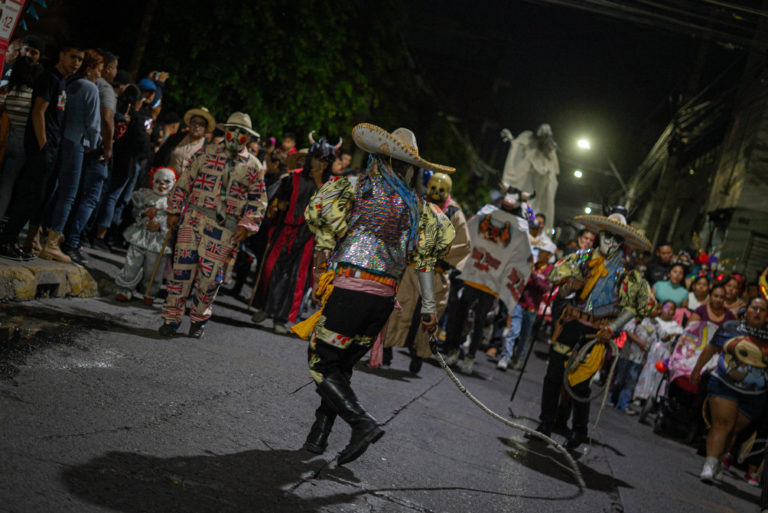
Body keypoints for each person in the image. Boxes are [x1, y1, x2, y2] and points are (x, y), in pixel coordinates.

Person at [293, 123, 454, 465]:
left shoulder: (356, 187)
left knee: (322, 362)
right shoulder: (419, 208)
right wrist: (428, 309)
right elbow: (424, 261)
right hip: (382, 300)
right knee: (342, 366)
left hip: (351, 290)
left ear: (379, 158)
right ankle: (318, 436)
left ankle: (361, 421)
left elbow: (322, 224)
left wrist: (321, 268)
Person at [535, 206, 656, 449]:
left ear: (623, 242)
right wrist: (571, 286)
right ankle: (545, 424)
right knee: (553, 375)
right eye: (607, 235)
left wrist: (612, 328)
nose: (610, 241)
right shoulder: (581, 258)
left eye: (617, 238)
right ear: (600, 234)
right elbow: (558, 284)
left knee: (580, 382)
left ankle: (579, 430)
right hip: (571, 323)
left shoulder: (625, 272)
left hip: (597, 333)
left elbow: (633, 307)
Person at [158, 112, 266, 339]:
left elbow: (258, 201)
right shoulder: (206, 153)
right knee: (181, 274)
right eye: (232, 130)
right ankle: (171, 319)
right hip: (193, 221)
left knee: (209, 279)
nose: (236, 136)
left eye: (242, 133)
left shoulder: (254, 166)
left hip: (224, 230)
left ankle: (198, 318)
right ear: (225, 131)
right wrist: (174, 210)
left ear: (248, 137)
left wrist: (246, 225)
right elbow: (184, 182)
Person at [0, 42, 85, 260]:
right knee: (30, 196)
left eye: (80, 59)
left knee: (35, 198)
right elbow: (38, 111)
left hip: (51, 147)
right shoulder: (50, 78)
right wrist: (43, 145)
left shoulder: (62, 81)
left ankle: (11, 240)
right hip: (41, 148)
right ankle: (7, 240)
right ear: (62, 54)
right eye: (73, 56)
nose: (76, 63)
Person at [383, 171, 471, 374]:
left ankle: (418, 356)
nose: (436, 193)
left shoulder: (454, 214)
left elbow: (463, 245)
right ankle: (387, 351)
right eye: (433, 188)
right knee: (399, 308)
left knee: (428, 317)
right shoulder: (417, 204)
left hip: (436, 275)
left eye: (441, 190)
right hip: (412, 270)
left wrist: (439, 254)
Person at [251, 134, 341, 333]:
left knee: (294, 278)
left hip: (308, 237)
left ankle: (280, 319)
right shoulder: (292, 178)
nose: (321, 163)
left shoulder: (331, 188)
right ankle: (266, 307)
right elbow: (278, 203)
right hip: (285, 230)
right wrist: (278, 207)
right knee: (270, 268)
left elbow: (332, 216)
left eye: (325, 160)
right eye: (318, 157)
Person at [442, 186, 534, 375]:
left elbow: (523, 254)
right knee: (461, 310)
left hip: (493, 279)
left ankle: (470, 356)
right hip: (475, 273)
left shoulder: (520, 226)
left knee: (480, 318)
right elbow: (470, 233)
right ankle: (454, 348)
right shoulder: (487, 212)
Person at [691, 297, 768, 483]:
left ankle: (718, 460)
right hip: (724, 384)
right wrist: (696, 371)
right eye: (754, 308)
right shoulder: (730, 328)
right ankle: (709, 464)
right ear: (746, 310)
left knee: (733, 429)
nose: (757, 312)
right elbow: (710, 349)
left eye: (762, 310)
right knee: (722, 425)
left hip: (755, 394)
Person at [38, 49, 103, 263]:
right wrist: (94, 144)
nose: (100, 75)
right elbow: (93, 123)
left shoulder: (71, 83)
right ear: (91, 68)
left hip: (60, 138)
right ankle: (52, 242)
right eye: (99, 69)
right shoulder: (89, 87)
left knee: (54, 188)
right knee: (68, 194)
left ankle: (38, 234)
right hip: (76, 141)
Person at [115, 167, 176, 300]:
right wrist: (144, 213)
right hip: (140, 235)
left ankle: (149, 292)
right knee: (132, 263)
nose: (162, 185)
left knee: (153, 269)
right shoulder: (144, 195)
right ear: (153, 180)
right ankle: (125, 289)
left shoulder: (174, 202)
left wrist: (161, 227)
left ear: (173, 183)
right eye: (158, 181)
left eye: (166, 181)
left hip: (159, 241)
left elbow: (175, 223)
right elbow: (134, 213)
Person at [498, 237, 555, 370]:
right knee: (514, 331)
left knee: (525, 336)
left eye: (543, 252)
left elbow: (544, 287)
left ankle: (517, 359)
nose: (540, 254)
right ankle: (505, 356)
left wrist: (533, 275)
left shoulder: (550, 271)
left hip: (532, 308)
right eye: (539, 251)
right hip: (520, 303)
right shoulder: (531, 265)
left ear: (549, 255)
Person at [0, 57, 40, 219]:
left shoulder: (6, 90)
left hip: (3, 138)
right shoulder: (34, 97)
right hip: (22, 143)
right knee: (7, 185)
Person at [633, 301, 683, 404]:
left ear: (674, 312)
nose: (668, 310)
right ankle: (640, 395)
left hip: (665, 353)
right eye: (666, 307)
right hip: (651, 351)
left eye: (671, 308)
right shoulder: (653, 321)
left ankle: (653, 398)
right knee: (647, 372)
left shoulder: (677, 327)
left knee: (659, 375)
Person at [154, 106, 215, 172]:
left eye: (201, 124)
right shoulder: (175, 138)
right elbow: (159, 159)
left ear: (205, 129)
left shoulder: (207, 149)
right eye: (194, 122)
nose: (196, 126)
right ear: (189, 124)